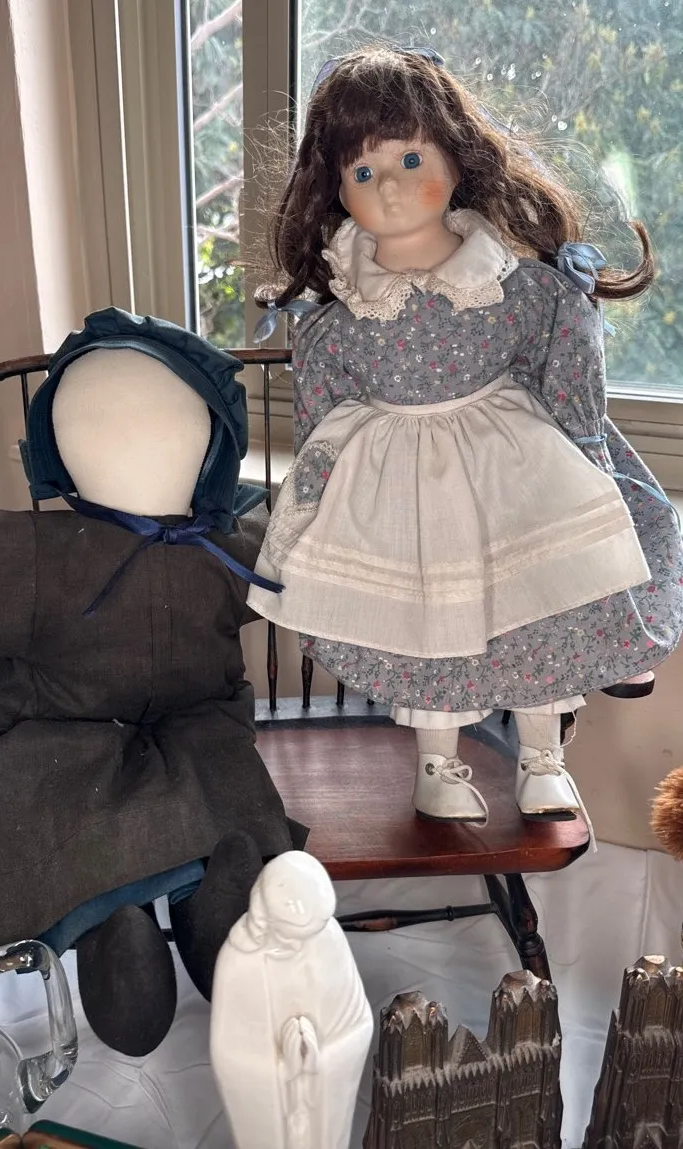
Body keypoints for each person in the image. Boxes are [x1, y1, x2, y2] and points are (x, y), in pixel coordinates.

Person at [248, 46, 683, 831]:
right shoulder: (337, 321)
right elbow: (320, 424)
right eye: (362, 170)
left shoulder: (515, 287)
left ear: (457, 161)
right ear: (335, 190)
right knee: (429, 637)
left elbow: (569, 385)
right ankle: (435, 765)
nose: (389, 185)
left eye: (410, 158)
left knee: (539, 616)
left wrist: (591, 453)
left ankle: (542, 754)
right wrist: (309, 515)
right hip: (401, 499)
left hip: (511, 478)